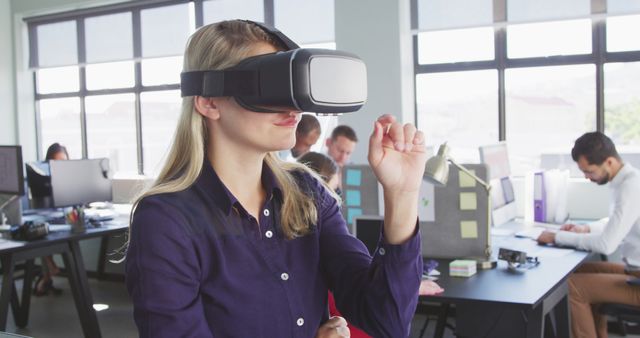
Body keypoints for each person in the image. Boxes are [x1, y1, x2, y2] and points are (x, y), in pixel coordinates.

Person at [125, 20, 426, 338]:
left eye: (292, 87)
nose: (292, 106)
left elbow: (386, 321)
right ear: (209, 101)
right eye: (270, 84)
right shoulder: (166, 221)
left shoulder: (308, 193)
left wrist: (402, 194)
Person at [537, 131, 640, 338]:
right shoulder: (626, 180)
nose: (586, 177)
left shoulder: (630, 187)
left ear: (609, 162)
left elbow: (606, 245)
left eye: (590, 171)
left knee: (572, 287)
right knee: (578, 271)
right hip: (634, 269)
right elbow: (618, 222)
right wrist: (586, 229)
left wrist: (557, 237)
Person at [34, 142, 68, 296]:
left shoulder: (71, 178)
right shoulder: (41, 179)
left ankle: (46, 277)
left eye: (64, 162)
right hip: (47, 218)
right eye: (57, 161)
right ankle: (48, 272)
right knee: (40, 235)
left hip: (66, 219)